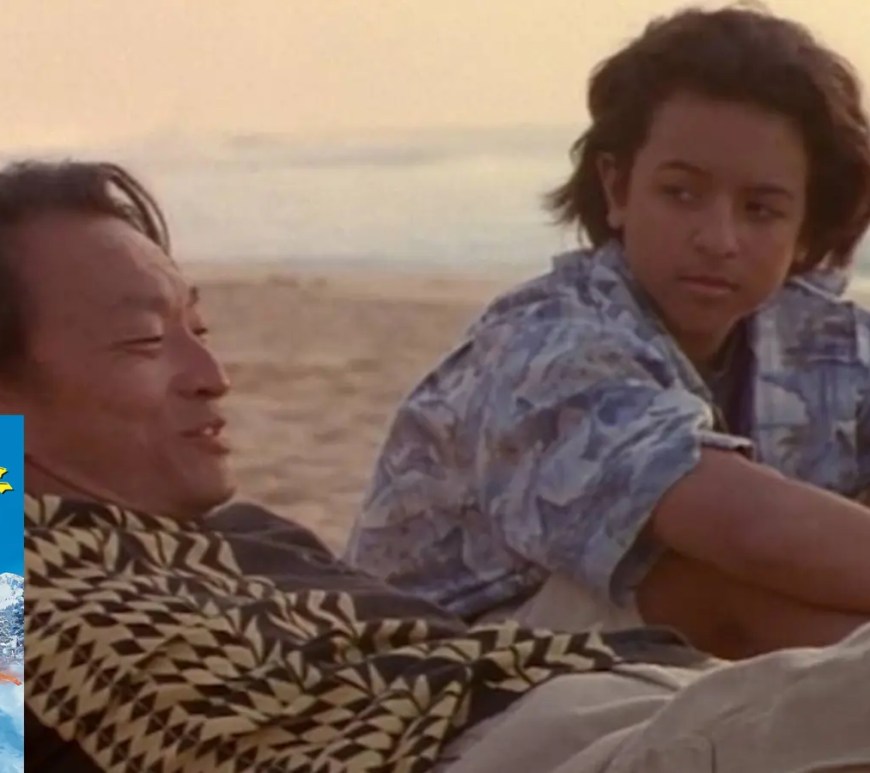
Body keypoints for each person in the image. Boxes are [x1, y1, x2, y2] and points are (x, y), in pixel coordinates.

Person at [15, 159, 870, 770]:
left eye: (197, 328)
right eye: (141, 342)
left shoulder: (217, 532)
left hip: (575, 692)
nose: (213, 377)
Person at [344, 5, 870, 659]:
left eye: (760, 209)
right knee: (705, 581)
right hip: (435, 686)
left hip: (625, 680)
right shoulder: (545, 346)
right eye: (681, 193)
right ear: (618, 188)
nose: (718, 238)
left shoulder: (826, 343)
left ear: (809, 227)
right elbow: (745, 528)